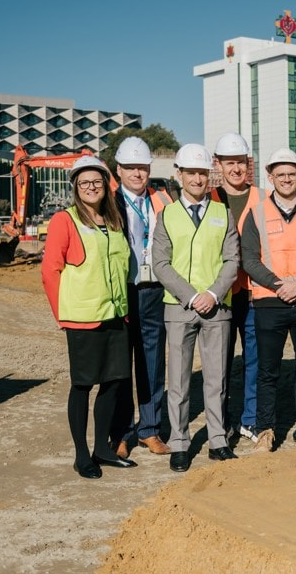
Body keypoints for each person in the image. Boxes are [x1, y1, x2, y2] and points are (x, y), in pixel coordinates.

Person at [42, 156, 136, 479]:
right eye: (84, 183)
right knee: (82, 385)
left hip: (115, 315)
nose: (91, 187)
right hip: (82, 318)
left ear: (106, 186)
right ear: (75, 188)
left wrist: (122, 309)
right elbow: (49, 271)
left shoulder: (113, 220)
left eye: (97, 182)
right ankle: (82, 455)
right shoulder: (64, 221)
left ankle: (103, 449)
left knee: (113, 382)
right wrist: (62, 315)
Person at [151, 144, 239, 473]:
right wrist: (191, 296)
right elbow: (160, 264)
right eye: (192, 173)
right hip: (179, 307)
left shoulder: (222, 213)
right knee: (179, 381)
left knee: (216, 379)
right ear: (180, 175)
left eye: (202, 173)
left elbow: (232, 260)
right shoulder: (167, 215)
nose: (198, 178)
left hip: (217, 308)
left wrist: (214, 294)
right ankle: (180, 443)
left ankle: (218, 440)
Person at [241, 147, 296, 451]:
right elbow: (250, 260)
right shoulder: (256, 214)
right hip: (269, 301)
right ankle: (266, 429)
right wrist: (280, 285)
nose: (286, 179)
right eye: (280, 174)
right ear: (270, 177)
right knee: (267, 371)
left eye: (291, 174)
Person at [110, 137, 173, 459]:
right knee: (121, 367)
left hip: (154, 292)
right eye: (130, 167)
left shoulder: (162, 198)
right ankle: (120, 433)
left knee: (152, 365)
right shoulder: (109, 203)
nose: (137, 173)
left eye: (142, 167)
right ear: (118, 169)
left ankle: (150, 429)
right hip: (123, 293)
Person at [210, 132, 264, 443]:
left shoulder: (262, 198)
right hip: (223, 294)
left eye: (241, 162)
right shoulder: (211, 198)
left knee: (255, 359)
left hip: (255, 293)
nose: (236, 169)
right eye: (230, 163)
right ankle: (223, 421)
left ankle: (251, 420)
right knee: (221, 362)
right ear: (218, 164)